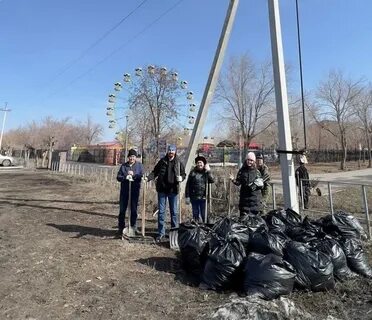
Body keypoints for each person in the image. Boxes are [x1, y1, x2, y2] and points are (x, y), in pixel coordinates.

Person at [146, 144, 186, 242]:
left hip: (173, 191)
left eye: (172, 150)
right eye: (169, 150)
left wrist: (182, 178)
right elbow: (155, 172)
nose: (171, 152)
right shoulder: (162, 161)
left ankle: (174, 234)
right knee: (162, 213)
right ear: (167, 151)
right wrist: (147, 178)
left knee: (174, 213)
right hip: (162, 191)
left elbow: (183, 174)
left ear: (175, 152)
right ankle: (161, 233)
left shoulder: (179, 162)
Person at [116, 149, 144, 236]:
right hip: (124, 191)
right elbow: (118, 177)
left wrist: (134, 175)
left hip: (135, 191)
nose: (131, 158)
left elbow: (141, 176)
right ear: (128, 157)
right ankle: (121, 228)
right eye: (130, 156)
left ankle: (133, 227)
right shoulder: (124, 166)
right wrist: (125, 177)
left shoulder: (139, 166)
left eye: (133, 156)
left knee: (134, 210)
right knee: (122, 210)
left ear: (135, 157)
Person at [229, 152, 263, 216]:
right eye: (248, 160)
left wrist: (253, 186)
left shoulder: (257, 172)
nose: (249, 162)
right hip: (244, 202)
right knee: (243, 221)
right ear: (246, 160)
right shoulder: (242, 171)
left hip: (255, 202)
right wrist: (233, 179)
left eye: (251, 160)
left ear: (254, 161)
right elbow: (238, 182)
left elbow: (261, 184)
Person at [185, 156, 215, 222]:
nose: (199, 164)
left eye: (201, 163)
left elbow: (212, 180)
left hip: (204, 197)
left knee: (204, 215)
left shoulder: (206, 173)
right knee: (195, 214)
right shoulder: (192, 172)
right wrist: (187, 196)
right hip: (194, 197)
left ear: (204, 164)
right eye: (198, 163)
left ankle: (205, 229)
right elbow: (188, 185)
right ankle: (196, 229)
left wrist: (209, 171)